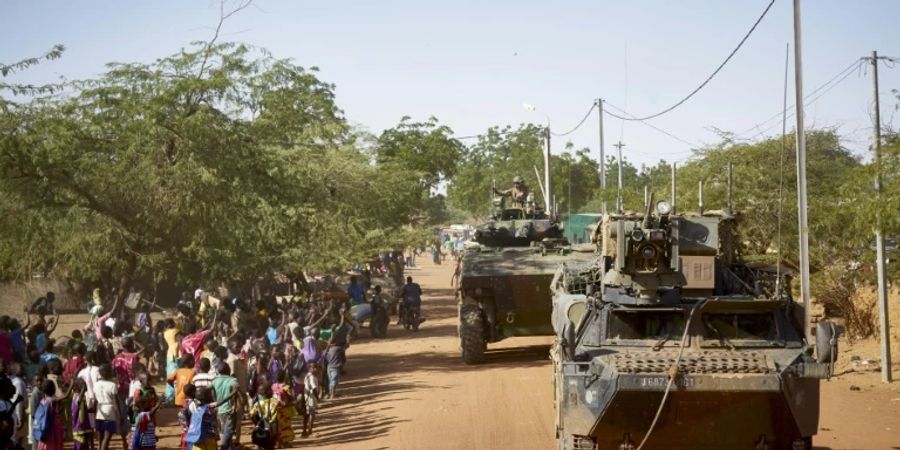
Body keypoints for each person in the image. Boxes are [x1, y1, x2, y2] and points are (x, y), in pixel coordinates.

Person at [211, 364, 239, 450]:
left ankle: (229, 447)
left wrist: (216, 401)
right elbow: (237, 391)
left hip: (220, 410)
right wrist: (235, 405)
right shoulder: (233, 380)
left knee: (224, 430)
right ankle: (223, 448)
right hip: (230, 409)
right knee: (229, 431)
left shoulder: (215, 380)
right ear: (229, 371)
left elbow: (211, 389)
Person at [93, 365, 120, 450]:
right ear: (109, 373)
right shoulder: (112, 385)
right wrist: (119, 414)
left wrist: (94, 414)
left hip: (99, 410)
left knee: (100, 436)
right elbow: (116, 401)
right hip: (109, 410)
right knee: (107, 437)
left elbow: (95, 400)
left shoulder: (96, 384)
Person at [33, 379, 63, 450]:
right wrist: (71, 384)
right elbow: (65, 396)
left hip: (44, 430)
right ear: (54, 389)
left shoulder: (43, 400)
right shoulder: (51, 400)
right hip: (51, 431)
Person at [71, 379, 94, 450]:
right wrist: (83, 390)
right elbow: (78, 401)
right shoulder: (76, 396)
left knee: (85, 445)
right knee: (80, 445)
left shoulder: (83, 396)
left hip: (84, 425)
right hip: (78, 426)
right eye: (83, 385)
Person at [301, 363, 319, 437]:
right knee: (312, 414)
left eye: (315, 368)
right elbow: (314, 388)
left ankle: (304, 431)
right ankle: (310, 430)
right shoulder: (311, 377)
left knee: (307, 415)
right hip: (311, 397)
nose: (315, 369)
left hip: (306, 397)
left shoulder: (307, 376)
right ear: (309, 369)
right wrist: (317, 397)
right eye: (313, 368)